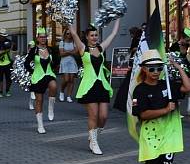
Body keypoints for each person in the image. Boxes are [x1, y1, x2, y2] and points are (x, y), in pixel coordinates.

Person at [132, 50, 190, 164]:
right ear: (144, 70)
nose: (156, 72)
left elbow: (188, 87)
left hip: (169, 136)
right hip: (151, 136)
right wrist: (165, 110)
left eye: (159, 68)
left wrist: (177, 67)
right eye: (152, 69)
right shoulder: (140, 90)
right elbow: (143, 114)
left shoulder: (168, 84)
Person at [68, 18, 120, 155]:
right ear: (86, 37)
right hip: (89, 86)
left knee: (103, 117)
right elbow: (73, 33)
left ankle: (93, 136)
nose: (94, 37)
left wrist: (118, 17)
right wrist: (69, 18)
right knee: (93, 115)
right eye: (92, 35)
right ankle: (93, 142)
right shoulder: (83, 49)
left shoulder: (101, 48)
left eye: (96, 35)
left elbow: (113, 34)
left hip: (102, 85)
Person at [25, 28, 59, 134]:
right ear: (37, 38)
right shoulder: (34, 50)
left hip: (49, 74)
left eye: (45, 37)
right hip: (38, 76)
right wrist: (32, 71)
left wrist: (55, 63)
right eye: (41, 37)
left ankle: (50, 107)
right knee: (39, 100)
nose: (43, 39)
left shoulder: (50, 49)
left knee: (53, 86)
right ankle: (40, 125)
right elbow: (26, 63)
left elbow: (56, 61)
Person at [58, 30, 78, 103]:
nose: (69, 35)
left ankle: (69, 96)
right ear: (65, 34)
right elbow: (61, 54)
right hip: (64, 62)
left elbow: (76, 52)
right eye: (67, 33)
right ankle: (62, 91)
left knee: (72, 80)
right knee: (66, 79)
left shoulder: (74, 42)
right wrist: (70, 52)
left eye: (70, 33)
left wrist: (66, 52)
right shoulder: (62, 42)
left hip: (72, 62)